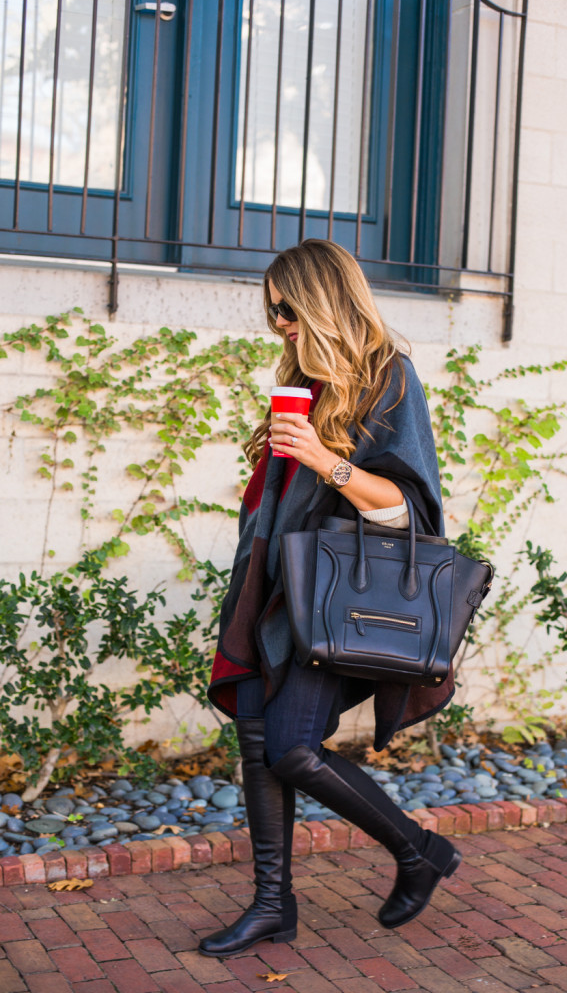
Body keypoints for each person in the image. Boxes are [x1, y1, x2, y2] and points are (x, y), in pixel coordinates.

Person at [200, 239, 460, 959]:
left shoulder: (389, 378)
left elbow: (407, 510)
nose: (278, 323)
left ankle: (417, 850)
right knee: (257, 737)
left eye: (287, 308)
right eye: (272, 310)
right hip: (274, 584)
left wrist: (324, 460)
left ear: (323, 298)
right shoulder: (305, 381)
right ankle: (272, 906)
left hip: (335, 596)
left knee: (289, 747)